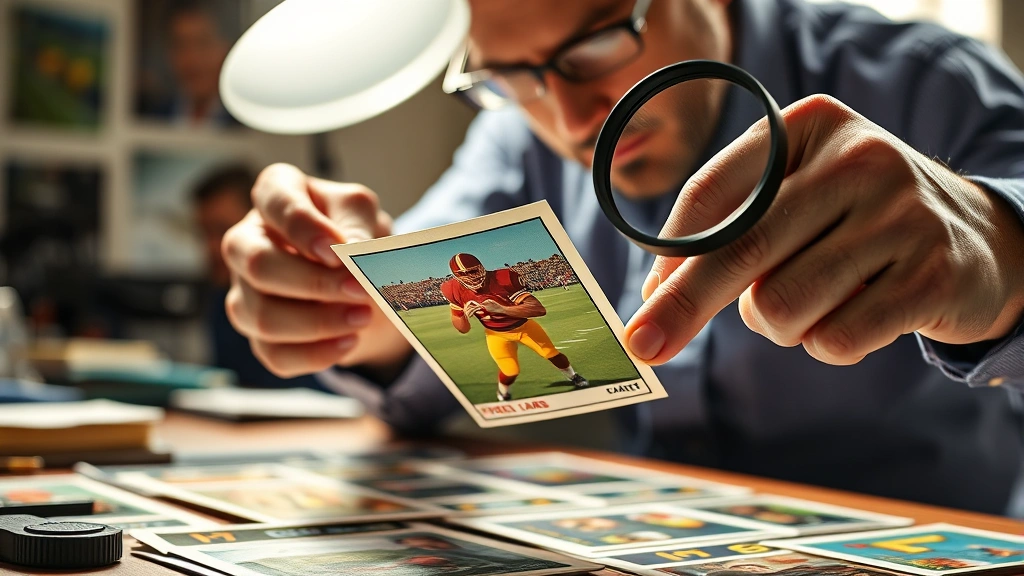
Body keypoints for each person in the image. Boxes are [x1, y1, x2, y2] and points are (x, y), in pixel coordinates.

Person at [221, 0, 1024, 514]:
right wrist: (351, 307)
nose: (571, 117)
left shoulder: (928, 83)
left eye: (599, 41)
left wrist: (1004, 255)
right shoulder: (512, 137)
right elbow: (413, 318)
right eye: (510, 76)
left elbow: (1002, 235)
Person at [192, 165, 319, 389]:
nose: (210, 247)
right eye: (203, 232)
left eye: (222, 229)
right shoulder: (219, 297)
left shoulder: (302, 296)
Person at [441, 252, 589, 401]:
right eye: (464, 273)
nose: (471, 276)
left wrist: (503, 309)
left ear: (481, 267)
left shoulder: (503, 279)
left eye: (473, 270)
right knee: (510, 370)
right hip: (496, 334)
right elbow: (463, 329)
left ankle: (573, 375)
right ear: (455, 276)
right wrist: (464, 317)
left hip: (523, 327)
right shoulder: (453, 289)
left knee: (551, 354)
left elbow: (538, 309)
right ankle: (503, 392)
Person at [139, 0, 237, 127]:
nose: (192, 59)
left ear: (226, 46)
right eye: (181, 45)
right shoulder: (151, 119)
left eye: (203, 43)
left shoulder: (243, 124)